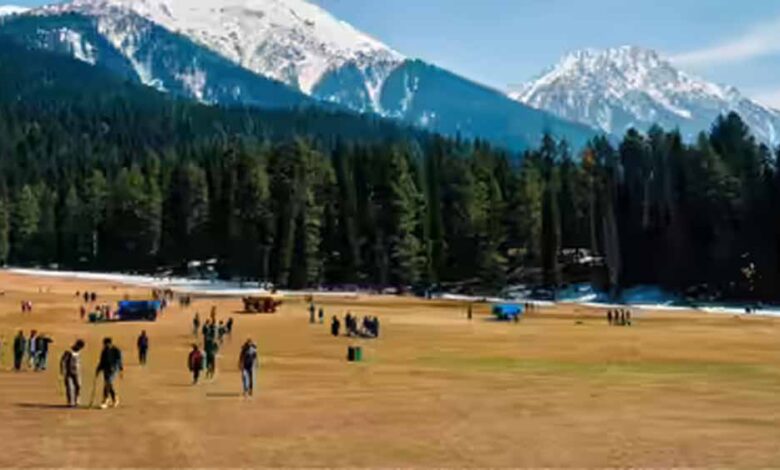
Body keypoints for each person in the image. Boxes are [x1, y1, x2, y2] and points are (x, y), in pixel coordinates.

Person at [95, 337, 123, 409]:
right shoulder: (104, 351)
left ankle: (105, 400)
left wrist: (120, 370)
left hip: (113, 370)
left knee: (108, 383)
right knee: (108, 384)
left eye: (105, 344)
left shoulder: (116, 350)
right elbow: (101, 361)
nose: (104, 345)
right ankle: (115, 399)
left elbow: (119, 360)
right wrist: (98, 370)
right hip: (106, 370)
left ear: (109, 343)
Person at [60, 339, 85, 407]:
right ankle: (70, 401)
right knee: (69, 387)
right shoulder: (68, 352)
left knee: (78, 385)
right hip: (68, 372)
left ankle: (77, 400)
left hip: (77, 372)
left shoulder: (79, 352)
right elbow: (63, 361)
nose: (80, 348)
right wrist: (62, 370)